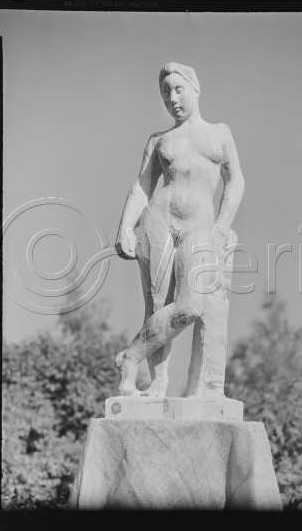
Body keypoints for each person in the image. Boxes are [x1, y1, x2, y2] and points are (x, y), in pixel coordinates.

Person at [115, 62, 244, 397]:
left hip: (199, 226)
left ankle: (130, 357)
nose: (172, 98)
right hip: (158, 220)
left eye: (178, 89)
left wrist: (222, 226)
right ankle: (157, 383)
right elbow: (143, 186)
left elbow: (235, 182)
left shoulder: (219, 133)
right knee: (156, 304)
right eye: (165, 93)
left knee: (191, 305)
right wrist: (125, 227)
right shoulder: (160, 140)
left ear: (195, 89)